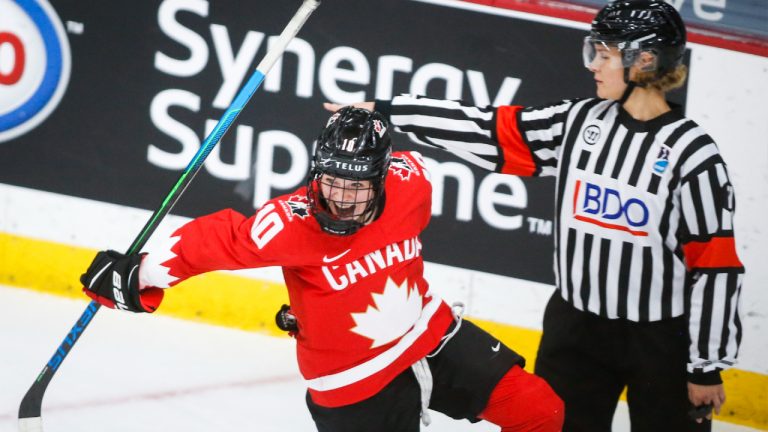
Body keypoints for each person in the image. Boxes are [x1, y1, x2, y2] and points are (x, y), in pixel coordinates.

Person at [325, 1, 745, 431]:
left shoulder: (693, 156)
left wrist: (706, 365)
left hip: (661, 340)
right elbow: (486, 130)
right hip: (576, 331)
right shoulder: (579, 123)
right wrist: (388, 110)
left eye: (605, 54)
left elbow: (716, 267)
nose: (594, 65)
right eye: (593, 52)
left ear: (646, 58)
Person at [80, 107, 564, 431]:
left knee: (543, 410)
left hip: (431, 334)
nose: (340, 198)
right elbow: (213, 243)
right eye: (330, 180)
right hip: (351, 386)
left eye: (356, 187)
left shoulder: (412, 182)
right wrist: (137, 274)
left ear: (381, 178)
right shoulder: (290, 224)